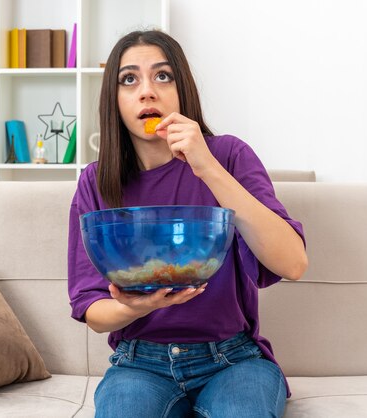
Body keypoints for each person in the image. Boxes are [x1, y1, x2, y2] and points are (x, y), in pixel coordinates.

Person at [68, 30, 308, 418]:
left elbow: (293, 263)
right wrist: (135, 308)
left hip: (234, 360)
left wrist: (206, 166)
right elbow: (91, 308)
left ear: (183, 91)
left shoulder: (228, 155)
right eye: (129, 79)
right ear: (114, 100)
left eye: (162, 76)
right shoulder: (96, 182)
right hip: (138, 363)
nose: (147, 92)